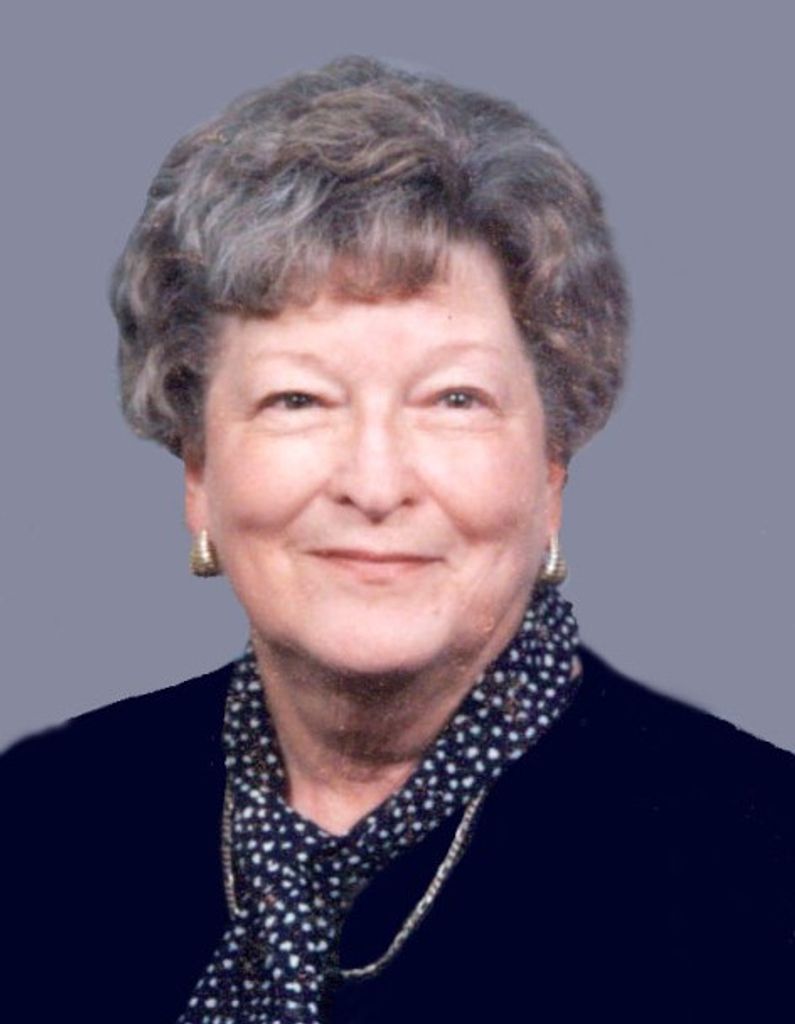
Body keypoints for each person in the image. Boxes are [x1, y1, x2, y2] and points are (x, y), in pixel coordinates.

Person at [2, 55, 793, 1023]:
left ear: (551, 473)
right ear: (198, 472)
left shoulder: (761, 863)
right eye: (298, 400)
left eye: (453, 399)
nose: (375, 484)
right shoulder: (35, 820)